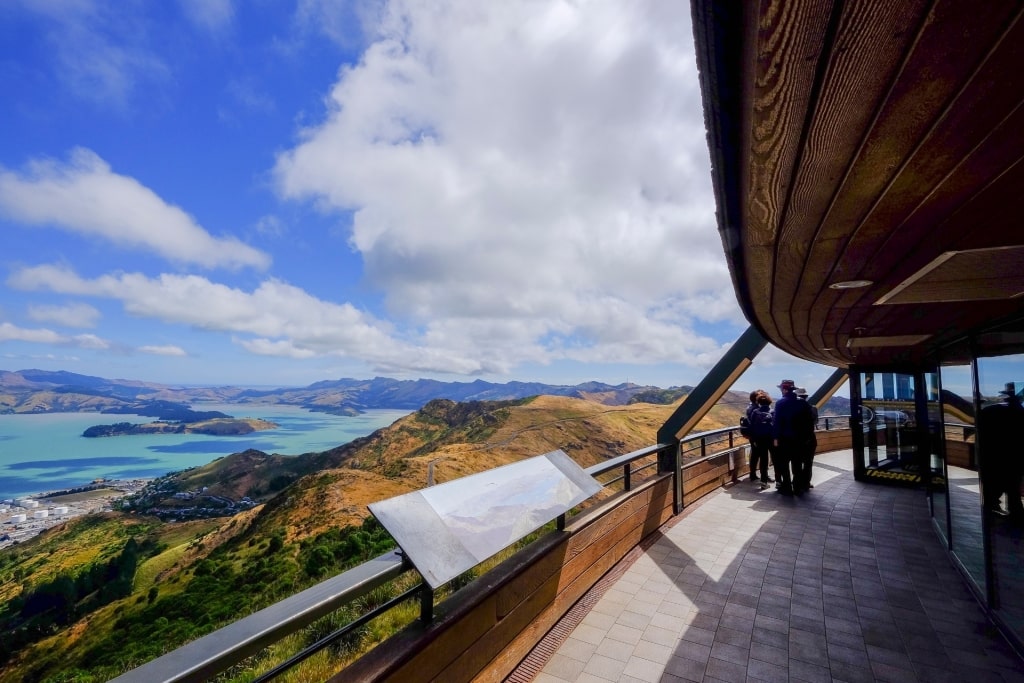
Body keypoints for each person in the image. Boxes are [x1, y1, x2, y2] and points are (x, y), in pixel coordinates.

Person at [979, 382, 1024, 521]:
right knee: (1012, 486)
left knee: (999, 485)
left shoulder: (990, 411)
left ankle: (993, 506)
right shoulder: (1020, 413)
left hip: (994, 456)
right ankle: (1015, 514)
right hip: (1013, 457)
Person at [773, 379, 814, 495]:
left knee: (784, 464)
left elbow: (777, 422)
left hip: (784, 439)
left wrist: (776, 438)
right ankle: (797, 486)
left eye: (781, 389)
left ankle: (786, 487)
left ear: (784, 389)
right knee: (797, 463)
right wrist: (807, 438)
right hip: (800, 440)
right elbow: (809, 422)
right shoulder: (803, 403)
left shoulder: (780, 403)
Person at [748, 391, 775, 489]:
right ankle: (779, 480)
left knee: (763, 459)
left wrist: (754, 439)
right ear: (769, 402)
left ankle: (763, 482)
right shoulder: (772, 412)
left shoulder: (755, 412)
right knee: (774, 458)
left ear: (759, 402)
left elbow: (752, 426)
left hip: (759, 439)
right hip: (771, 439)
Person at [794, 389, 819, 492]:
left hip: (796, 439)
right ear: (806, 397)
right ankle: (806, 482)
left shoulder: (794, 409)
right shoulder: (813, 408)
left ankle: (797, 482)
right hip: (810, 438)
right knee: (808, 463)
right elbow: (816, 421)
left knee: (797, 462)